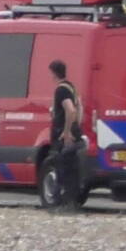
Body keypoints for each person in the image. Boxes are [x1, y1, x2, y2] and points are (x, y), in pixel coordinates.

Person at [49, 59, 83, 211]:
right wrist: (76, 126)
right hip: (74, 133)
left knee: (62, 168)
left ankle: (61, 204)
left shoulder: (61, 90)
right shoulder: (71, 87)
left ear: (53, 73)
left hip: (63, 137)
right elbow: (79, 107)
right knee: (72, 169)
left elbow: (71, 110)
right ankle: (72, 203)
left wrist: (67, 131)